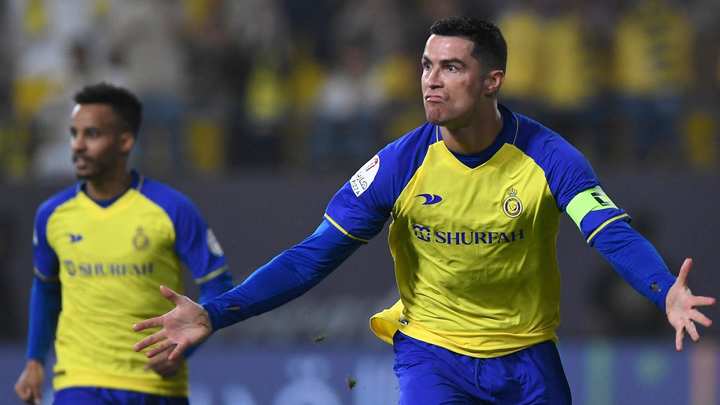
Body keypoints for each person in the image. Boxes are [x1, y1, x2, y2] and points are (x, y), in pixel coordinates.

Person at [133, 17, 715, 404]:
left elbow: (609, 231)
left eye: (451, 68)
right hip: (434, 355)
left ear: (492, 81)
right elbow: (313, 255)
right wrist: (217, 313)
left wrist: (662, 289)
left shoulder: (550, 157)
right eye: (426, 66)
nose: (432, 82)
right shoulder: (398, 165)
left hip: (527, 357)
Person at [14, 83, 234, 405]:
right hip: (80, 382)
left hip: (156, 386)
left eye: (92, 134)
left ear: (125, 141)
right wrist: (34, 361)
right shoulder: (52, 214)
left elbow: (218, 284)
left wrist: (183, 347)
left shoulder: (172, 209)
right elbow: (46, 288)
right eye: (74, 134)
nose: (78, 145)